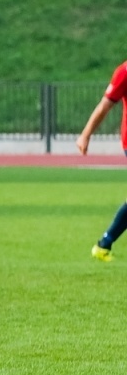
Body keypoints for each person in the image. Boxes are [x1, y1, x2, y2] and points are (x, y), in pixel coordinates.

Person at [73, 59, 127, 261]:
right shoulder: (124, 72)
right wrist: (85, 135)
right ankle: (104, 244)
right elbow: (105, 106)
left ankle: (104, 244)